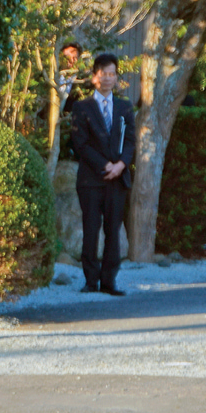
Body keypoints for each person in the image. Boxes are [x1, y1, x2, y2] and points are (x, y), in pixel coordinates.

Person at [71, 53, 135, 297]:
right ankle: (90, 280)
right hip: (90, 179)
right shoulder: (81, 107)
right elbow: (81, 144)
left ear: (116, 77)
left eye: (112, 74)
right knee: (90, 228)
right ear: (94, 76)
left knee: (113, 229)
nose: (108, 78)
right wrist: (105, 165)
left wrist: (120, 165)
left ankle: (109, 280)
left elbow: (130, 141)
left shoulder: (124, 107)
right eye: (103, 73)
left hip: (117, 179)